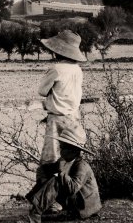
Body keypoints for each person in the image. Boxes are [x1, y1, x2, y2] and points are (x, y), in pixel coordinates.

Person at [25, 125, 102, 222]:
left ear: (73, 150)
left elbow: (73, 188)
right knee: (47, 171)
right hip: (73, 202)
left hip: (84, 207)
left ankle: (36, 213)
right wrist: (43, 172)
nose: (60, 150)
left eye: (63, 147)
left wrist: (60, 172)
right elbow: (48, 171)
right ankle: (47, 205)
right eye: (61, 146)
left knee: (57, 179)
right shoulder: (65, 161)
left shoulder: (82, 166)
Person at [37, 29, 86, 176]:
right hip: (73, 116)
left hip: (57, 118)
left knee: (50, 158)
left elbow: (42, 91)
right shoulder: (78, 70)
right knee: (70, 155)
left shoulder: (56, 69)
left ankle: (48, 189)